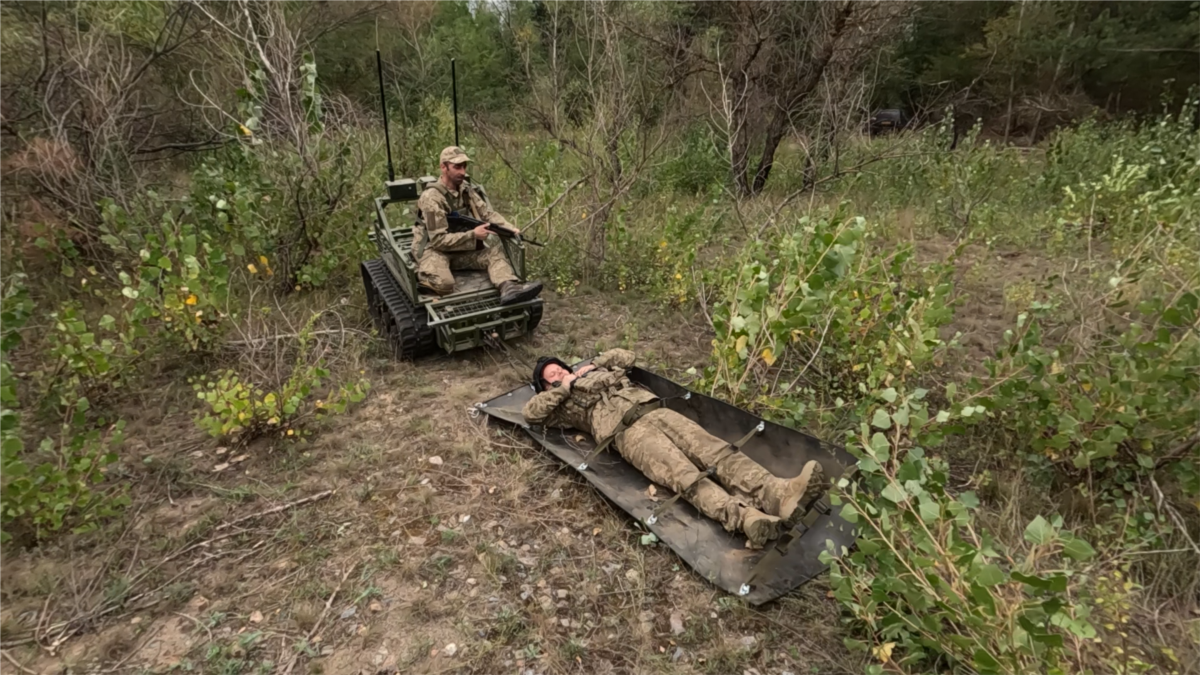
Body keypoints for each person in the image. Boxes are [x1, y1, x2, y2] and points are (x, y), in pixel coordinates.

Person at [522, 349, 826, 548]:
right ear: (546, 387)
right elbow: (531, 414)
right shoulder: (562, 405)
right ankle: (745, 519)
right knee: (684, 475)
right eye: (552, 377)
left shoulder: (598, 371)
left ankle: (776, 493)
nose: (559, 375)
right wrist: (566, 387)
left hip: (657, 412)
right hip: (629, 434)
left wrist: (596, 364)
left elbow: (626, 356)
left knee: (716, 451)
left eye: (559, 370)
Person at [414, 146, 543, 305]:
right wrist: (473, 235)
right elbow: (438, 240)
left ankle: (509, 289)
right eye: (457, 167)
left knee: (494, 253)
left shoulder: (465, 189)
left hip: (459, 247)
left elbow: (487, 214)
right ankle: (424, 274)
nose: (462, 172)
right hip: (435, 249)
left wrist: (509, 228)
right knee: (445, 284)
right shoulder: (431, 198)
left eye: (464, 166)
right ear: (443, 167)